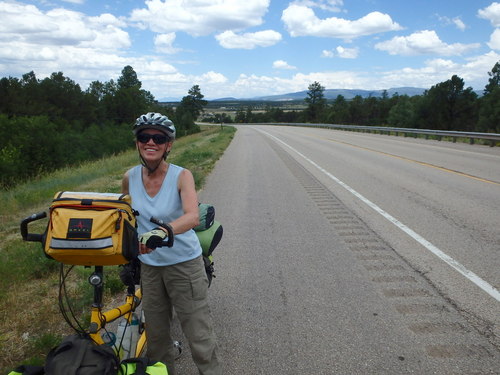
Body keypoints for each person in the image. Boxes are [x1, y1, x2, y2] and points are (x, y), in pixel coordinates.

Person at [121, 112, 221, 375]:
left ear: (168, 145)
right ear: (137, 143)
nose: (150, 142)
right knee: (156, 338)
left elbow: (191, 215)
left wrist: (162, 231)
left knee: (198, 334)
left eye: (158, 138)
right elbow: (125, 218)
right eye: (144, 136)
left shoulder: (181, 176)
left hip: (184, 265)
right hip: (151, 269)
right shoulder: (129, 178)